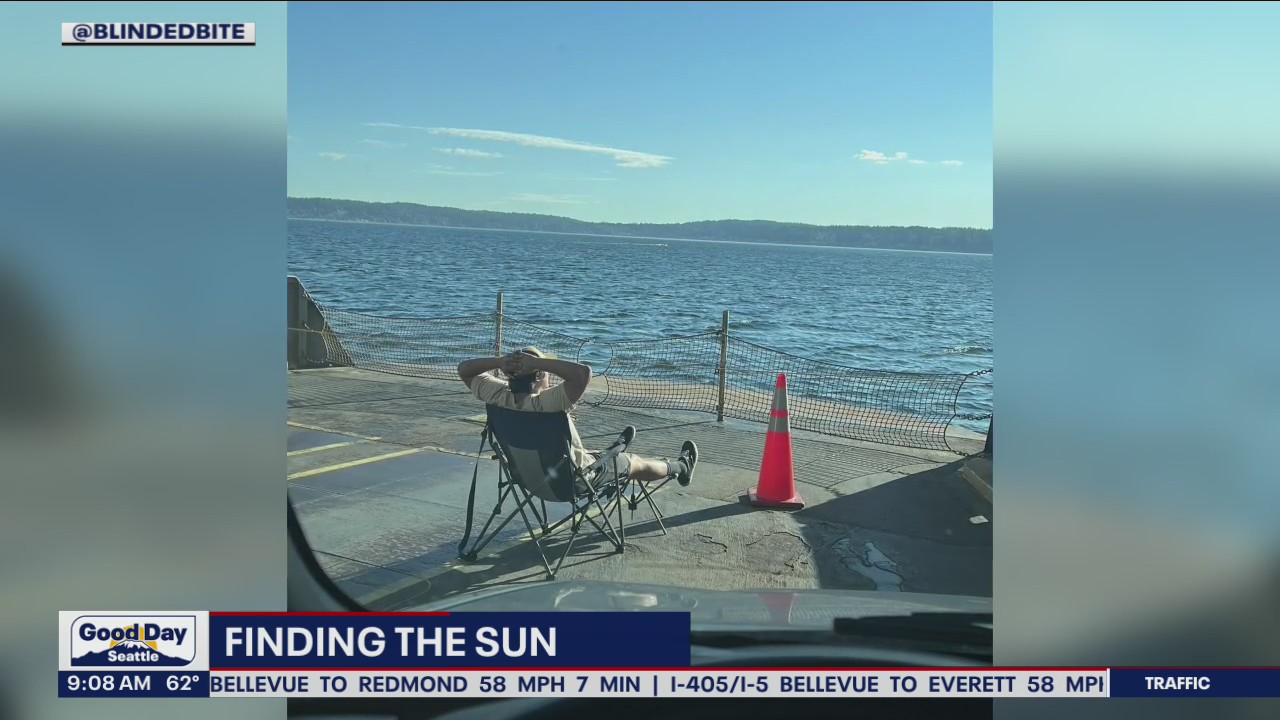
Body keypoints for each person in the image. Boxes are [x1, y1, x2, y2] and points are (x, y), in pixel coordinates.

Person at [457, 347, 697, 489]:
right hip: (574, 482)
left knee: (583, 452)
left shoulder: (497, 396)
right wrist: (539, 363)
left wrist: (501, 361)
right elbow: (583, 373)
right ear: (540, 374)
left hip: (525, 478)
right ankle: (680, 467)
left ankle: (611, 450)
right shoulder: (548, 403)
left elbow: (463, 369)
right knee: (633, 461)